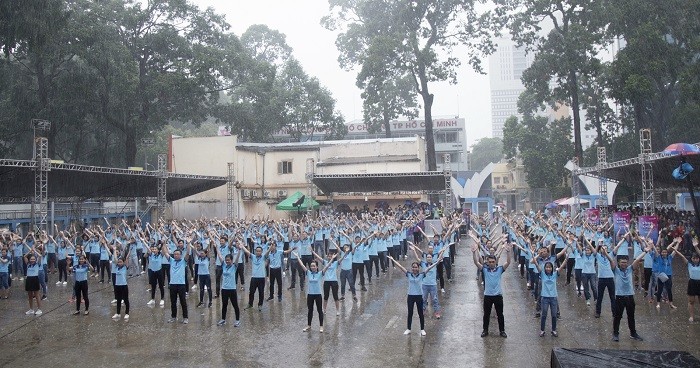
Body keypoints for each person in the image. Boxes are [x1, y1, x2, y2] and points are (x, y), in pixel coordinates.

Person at [387, 255, 440, 336]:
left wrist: (437, 262)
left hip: (419, 296)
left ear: (418, 268)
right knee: (410, 313)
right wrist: (393, 259)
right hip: (410, 296)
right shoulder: (409, 274)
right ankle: (408, 329)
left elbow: (429, 268)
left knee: (420, 313)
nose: (414, 269)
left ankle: (422, 329)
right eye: (413, 267)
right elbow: (401, 267)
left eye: (416, 267)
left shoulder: (422, 275)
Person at [602, 247, 646, 342]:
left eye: (625, 262)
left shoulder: (630, 269)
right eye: (622, 262)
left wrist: (646, 251)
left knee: (631, 316)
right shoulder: (616, 270)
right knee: (618, 316)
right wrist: (605, 253)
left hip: (630, 296)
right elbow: (611, 261)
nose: (624, 264)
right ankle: (615, 333)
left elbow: (638, 260)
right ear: (619, 263)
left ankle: (633, 333)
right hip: (620, 297)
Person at [472, 243, 511, 338]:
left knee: (500, 314)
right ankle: (485, 330)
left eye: (493, 262)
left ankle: (502, 331)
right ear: (487, 262)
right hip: (488, 296)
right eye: (490, 262)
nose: (491, 263)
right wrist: (474, 253)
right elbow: (476, 263)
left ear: (495, 262)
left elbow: (508, 262)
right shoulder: (485, 269)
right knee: (486, 314)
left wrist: (508, 252)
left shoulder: (499, 269)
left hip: (498, 295)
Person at [294, 254, 329, 333]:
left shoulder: (320, 273)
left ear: (317, 267)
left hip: (318, 294)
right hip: (310, 294)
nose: (312, 267)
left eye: (314, 266)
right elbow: (302, 265)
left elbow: (326, 266)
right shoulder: (308, 273)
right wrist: (297, 257)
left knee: (320, 310)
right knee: (310, 310)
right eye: (311, 266)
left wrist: (331, 260)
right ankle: (309, 325)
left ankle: (321, 326)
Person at [533, 259, 566, 337]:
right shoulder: (542, 274)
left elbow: (561, 267)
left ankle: (554, 330)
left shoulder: (555, 274)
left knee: (554, 315)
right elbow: (537, 265)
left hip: (553, 297)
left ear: (552, 268)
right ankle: (542, 330)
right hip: (544, 298)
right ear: (545, 268)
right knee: (544, 314)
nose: (548, 269)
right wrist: (534, 258)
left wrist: (566, 259)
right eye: (547, 267)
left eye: (550, 267)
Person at [670, 238, 700, 322]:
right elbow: (682, 256)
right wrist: (675, 250)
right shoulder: (689, 264)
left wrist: (696, 247)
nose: (695, 259)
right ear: (692, 259)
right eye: (694, 258)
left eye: (697, 258)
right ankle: (691, 316)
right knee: (691, 301)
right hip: (692, 283)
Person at [162, 243, 189, 324]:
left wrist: (189, 243)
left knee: (183, 301)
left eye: (178, 254)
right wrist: (163, 243)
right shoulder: (171, 261)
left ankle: (185, 317)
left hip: (181, 284)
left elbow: (187, 253)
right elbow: (165, 252)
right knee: (173, 302)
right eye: (175, 254)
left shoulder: (184, 262)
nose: (176, 255)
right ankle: (173, 317)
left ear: (181, 255)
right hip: (172, 284)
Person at [217, 248, 242, 326]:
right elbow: (220, 256)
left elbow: (237, 258)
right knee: (224, 305)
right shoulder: (224, 265)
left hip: (232, 289)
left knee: (235, 305)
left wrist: (239, 250)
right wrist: (217, 248)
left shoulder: (234, 266)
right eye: (226, 260)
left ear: (231, 260)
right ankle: (223, 319)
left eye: (229, 260)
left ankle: (237, 320)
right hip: (224, 289)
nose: (227, 261)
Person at [240, 244, 267, 311]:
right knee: (251, 292)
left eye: (259, 251)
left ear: (261, 252)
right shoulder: (253, 257)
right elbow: (247, 251)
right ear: (255, 251)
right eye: (257, 251)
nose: (258, 252)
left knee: (261, 292)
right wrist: (242, 246)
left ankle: (260, 305)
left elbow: (268, 252)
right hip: (254, 278)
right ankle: (250, 304)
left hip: (261, 278)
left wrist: (271, 247)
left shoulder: (263, 257)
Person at [23, 248, 43, 315]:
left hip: (35, 279)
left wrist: (34, 251)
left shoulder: (37, 264)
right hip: (29, 279)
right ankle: (31, 309)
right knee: (30, 295)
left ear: (35, 260)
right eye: (31, 259)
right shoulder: (28, 264)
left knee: (37, 295)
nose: (32, 260)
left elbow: (40, 256)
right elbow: (25, 256)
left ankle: (39, 309)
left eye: (33, 259)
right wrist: (30, 251)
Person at [111, 255, 130, 320]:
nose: (119, 263)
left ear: (123, 262)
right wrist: (114, 249)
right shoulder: (116, 267)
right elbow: (115, 259)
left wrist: (129, 249)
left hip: (124, 286)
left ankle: (127, 313)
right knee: (118, 300)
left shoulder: (125, 267)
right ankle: (118, 313)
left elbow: (127, 258)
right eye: (118, 262)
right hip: (117, 286)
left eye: (121, 262)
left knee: (125, 300)